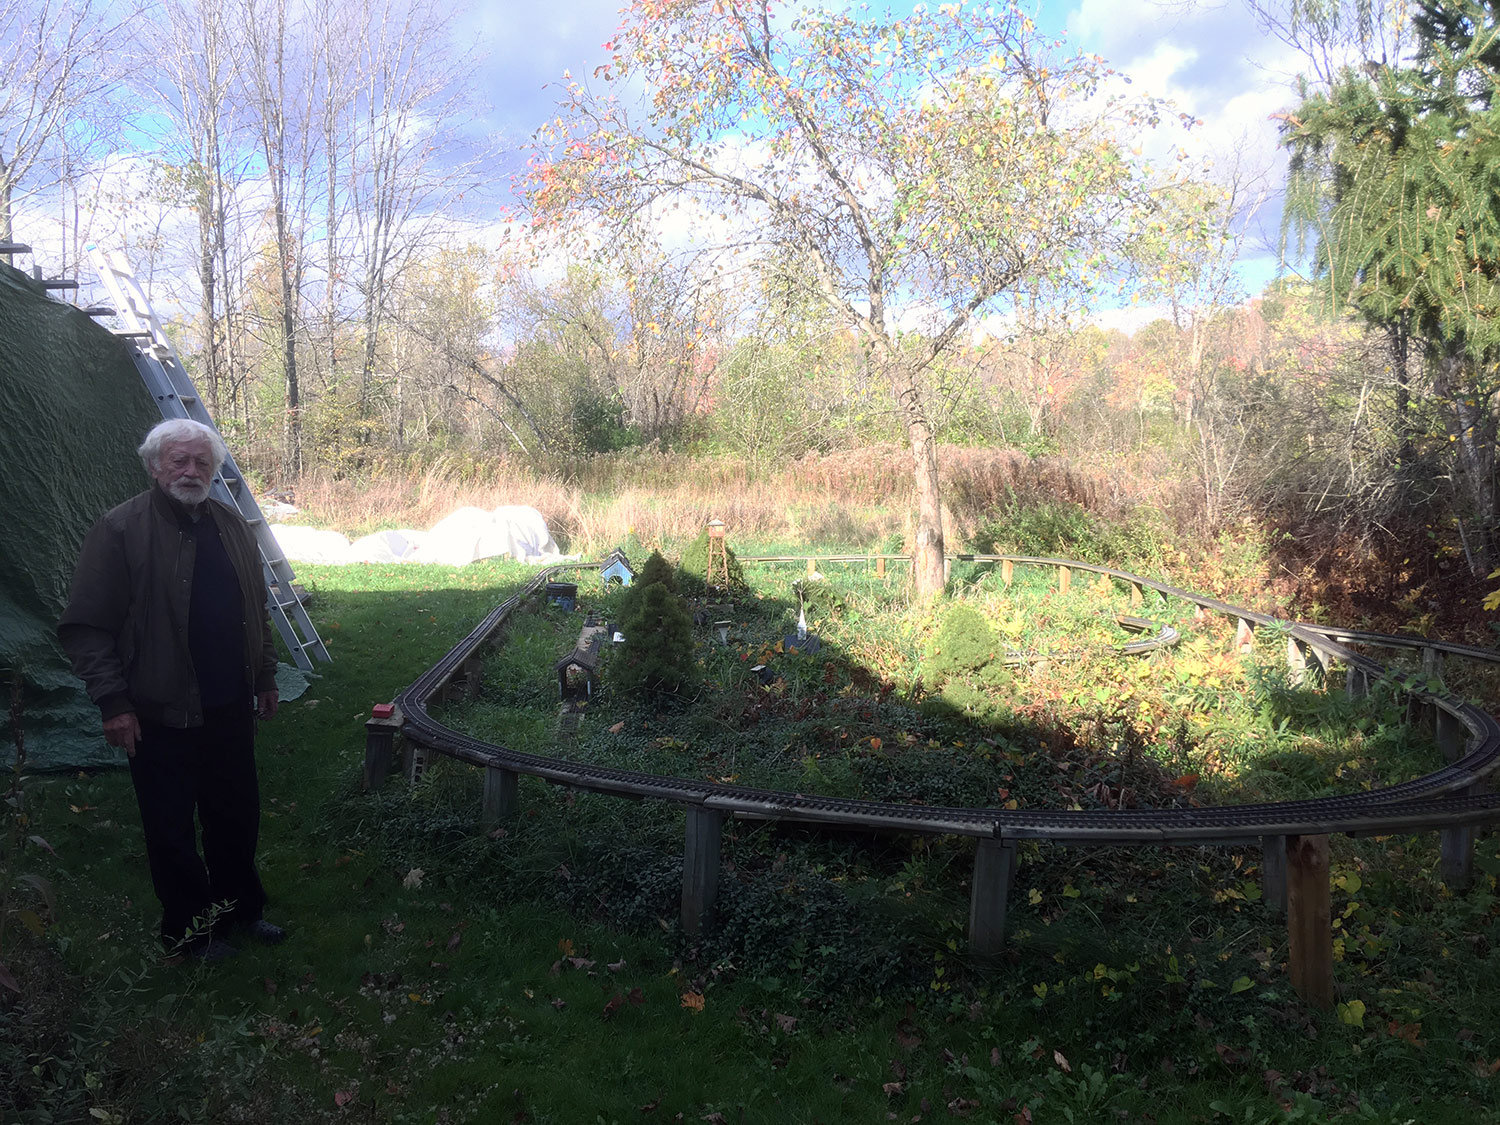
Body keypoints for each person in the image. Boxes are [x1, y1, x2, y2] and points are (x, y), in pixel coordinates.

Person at [59, 418, 286, 962]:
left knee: (235, 815)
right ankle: (189, 934)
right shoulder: (120, 529)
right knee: (171, 828)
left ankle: (240, 911)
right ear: (155, 466)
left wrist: (264, 675)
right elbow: (86, 627)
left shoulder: (232, 525)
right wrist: (114, 703)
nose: (190, 471)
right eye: (178, 460)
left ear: (214, 470)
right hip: (158, 709)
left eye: (201, 462)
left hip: (228, 704)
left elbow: (255, 610)